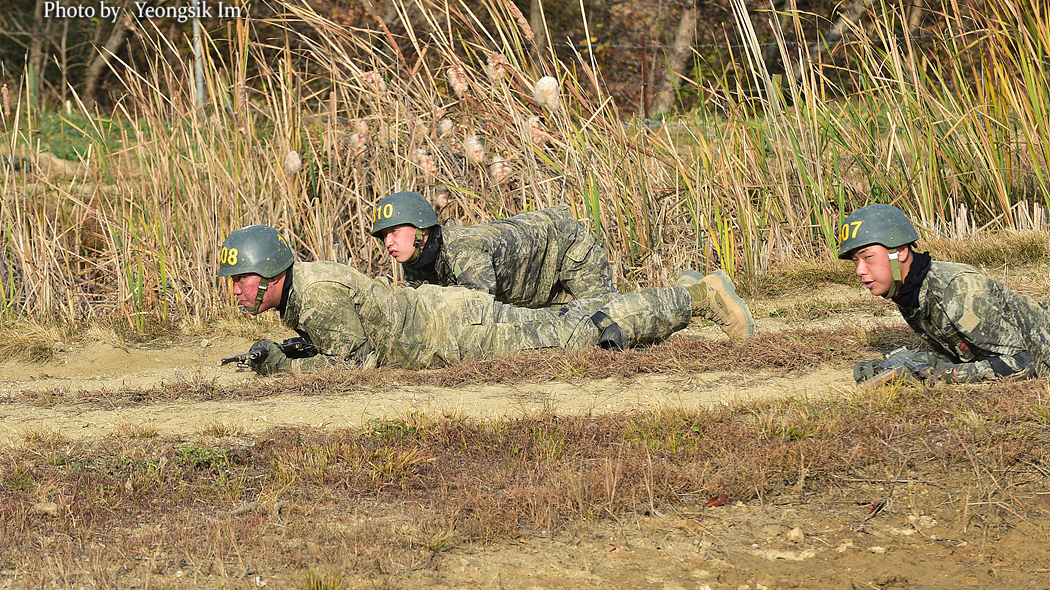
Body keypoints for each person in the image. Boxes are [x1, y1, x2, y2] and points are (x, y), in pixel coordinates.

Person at [217, 224, 741, 375]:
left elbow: (357, 363)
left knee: (584, 333)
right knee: (573, 326)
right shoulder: (303, 290)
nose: (236, 289)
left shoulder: (315, 294)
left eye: (241, 278)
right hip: (449, 321)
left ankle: (696, 297)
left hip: (459, 333)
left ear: (267, 272)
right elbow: (339, 343)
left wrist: (284, 370)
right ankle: (681, 292)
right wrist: (288, 351)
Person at [369, 191, 754, 340]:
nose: (388, 242)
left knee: (611, 328)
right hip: (536, 284)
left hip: (565, 251)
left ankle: (703, 294)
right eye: (382, 235)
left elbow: (474, 322)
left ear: (422, 228)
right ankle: (685, 287)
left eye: (394, 231)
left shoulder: (464, 253)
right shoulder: (419, 262)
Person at [838, 203, 1050, 385]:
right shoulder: (908, 291)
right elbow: (964, 351)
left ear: (900, 251)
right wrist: (914, 364)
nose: (860, 270)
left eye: (868, 257)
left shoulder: (959, 291)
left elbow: (1023, 361)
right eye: (856, 260)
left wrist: (942, 376)